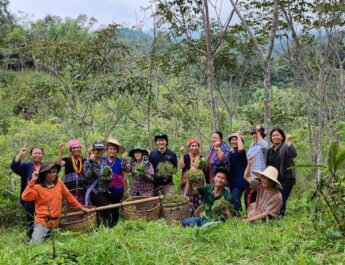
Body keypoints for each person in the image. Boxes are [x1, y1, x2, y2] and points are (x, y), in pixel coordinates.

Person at [21, 161, 90, 244]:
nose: (53, 174)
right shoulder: (38, 188)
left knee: (54, 245)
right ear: (44, 174)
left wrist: (81, 207)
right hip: (42, 223)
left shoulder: (59, 183)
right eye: (50, 172)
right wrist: (32, 181)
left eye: (54, 172)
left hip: (56, 223)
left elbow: (69, 196)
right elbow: (25, 197)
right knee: (36, 245)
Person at [10, 146, 44, 240]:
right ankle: (30, 239)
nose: (37, 155)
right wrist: (20, 154)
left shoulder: (45, 166)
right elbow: (13, 166)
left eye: (39, 153)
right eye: (35, 153)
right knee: (30, 219)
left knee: (43, 218)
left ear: (42, 155)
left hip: (42, 198)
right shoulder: (26, 166)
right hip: (29, 198)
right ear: (30, 156)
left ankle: (44, 237)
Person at [266, 128, 297, 216]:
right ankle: (273, 216)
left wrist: (289, 141)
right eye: (273, 135)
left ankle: (280, 218)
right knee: (275, 199)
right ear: (271, 138)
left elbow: (294, 154)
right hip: (274, 179)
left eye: (277, 135)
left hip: (287, 178)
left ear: (282, 137)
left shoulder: (286, 147)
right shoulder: (270, 151)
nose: (275, 137)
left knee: (282, 199)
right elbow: (268, 165)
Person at [244, 156, 283, 222]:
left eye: (265, 178)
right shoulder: (260, 186)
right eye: (262, 177)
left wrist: (249, 220)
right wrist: (249, 164)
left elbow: (267, 214)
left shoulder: (277, 196)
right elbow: (247, 177)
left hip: (266, 221)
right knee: (252, 205)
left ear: (272, 181)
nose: (262, 180)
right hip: (256, 215)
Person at [84, 141, 112, 227]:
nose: (99, 152)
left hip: (105, 190)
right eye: (97, 150)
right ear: (93, 151)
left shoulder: (103, 162)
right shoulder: (88, 162)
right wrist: (92, 162)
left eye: (100, 150)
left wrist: (109, 178)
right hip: (95, 190)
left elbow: (108, 176)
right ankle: (103, 228)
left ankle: (104, 228)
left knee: (105, 210)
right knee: (104, 209)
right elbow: (87, 175)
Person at [102, 138, 127, 226]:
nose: (112, 151)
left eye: (114, 149)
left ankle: (114, 225)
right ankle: (105, 224)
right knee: (105, 207)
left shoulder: (121, 162)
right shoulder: (102, 160)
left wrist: (125, 191)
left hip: (117, 189)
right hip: (104, 189)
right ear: (107, 150)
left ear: (117, 151)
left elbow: (124, 176)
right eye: (111, 149)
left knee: (115, 208)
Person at [179, 138, 205, 214]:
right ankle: (187, 213)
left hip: (198, 182)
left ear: (198, 147)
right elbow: (181, 166)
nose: (194, 147)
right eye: (192, 146)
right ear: (189, 147)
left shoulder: (201, 158)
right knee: (187, 196)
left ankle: (197, 213)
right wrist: (181, 153)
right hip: (186, 182)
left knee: (198, 196)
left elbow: (204, 169)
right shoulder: (186, 156)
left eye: (196, 145)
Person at [57, 139, 87, 204]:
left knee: (83, 208)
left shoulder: (84, 160)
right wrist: (60, 151)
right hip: (70, 191)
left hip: (82, 190)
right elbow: (58, 164)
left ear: (80, 149)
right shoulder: (67, 160)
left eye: (78, 147)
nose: (76, 149)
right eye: (74, 148)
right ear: (70, 150)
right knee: (72, 209)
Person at [245, 126, 268, 208]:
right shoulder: (252, 145)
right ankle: (251, 214)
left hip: (259, 176)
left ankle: (252, 215)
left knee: (249, 196)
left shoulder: (264, 144)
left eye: (257, 133)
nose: (255, 135)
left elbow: (265, 147)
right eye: (254, 134)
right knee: (251, 196)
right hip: (250, 175)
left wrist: (258, 134)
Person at [227, 132, 248, 214]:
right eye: (232, 140)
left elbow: (241, 149)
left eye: (236, 140)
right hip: (232, 180)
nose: (234, 141)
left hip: (240, 180)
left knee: (235, 197)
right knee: (232, 199)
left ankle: (239, 215)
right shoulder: (231, 152)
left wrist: (238, 135)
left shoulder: (241, 151)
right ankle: (236, 214)